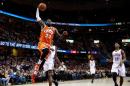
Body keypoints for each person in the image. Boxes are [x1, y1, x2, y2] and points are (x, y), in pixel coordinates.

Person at [31, 6, 67, 83]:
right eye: (47, 21)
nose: (49, 21)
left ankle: (36, 71)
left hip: (48, 45)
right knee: (46, 51)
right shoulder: (43, 26)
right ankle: (39, 63)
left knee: (46, 56)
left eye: (50, 21)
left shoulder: (54, 29)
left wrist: (63, 35)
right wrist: (37, 8)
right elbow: (37, 17)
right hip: (42, 44)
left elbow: (60, 37)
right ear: (46, 22)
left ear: (52, 22)